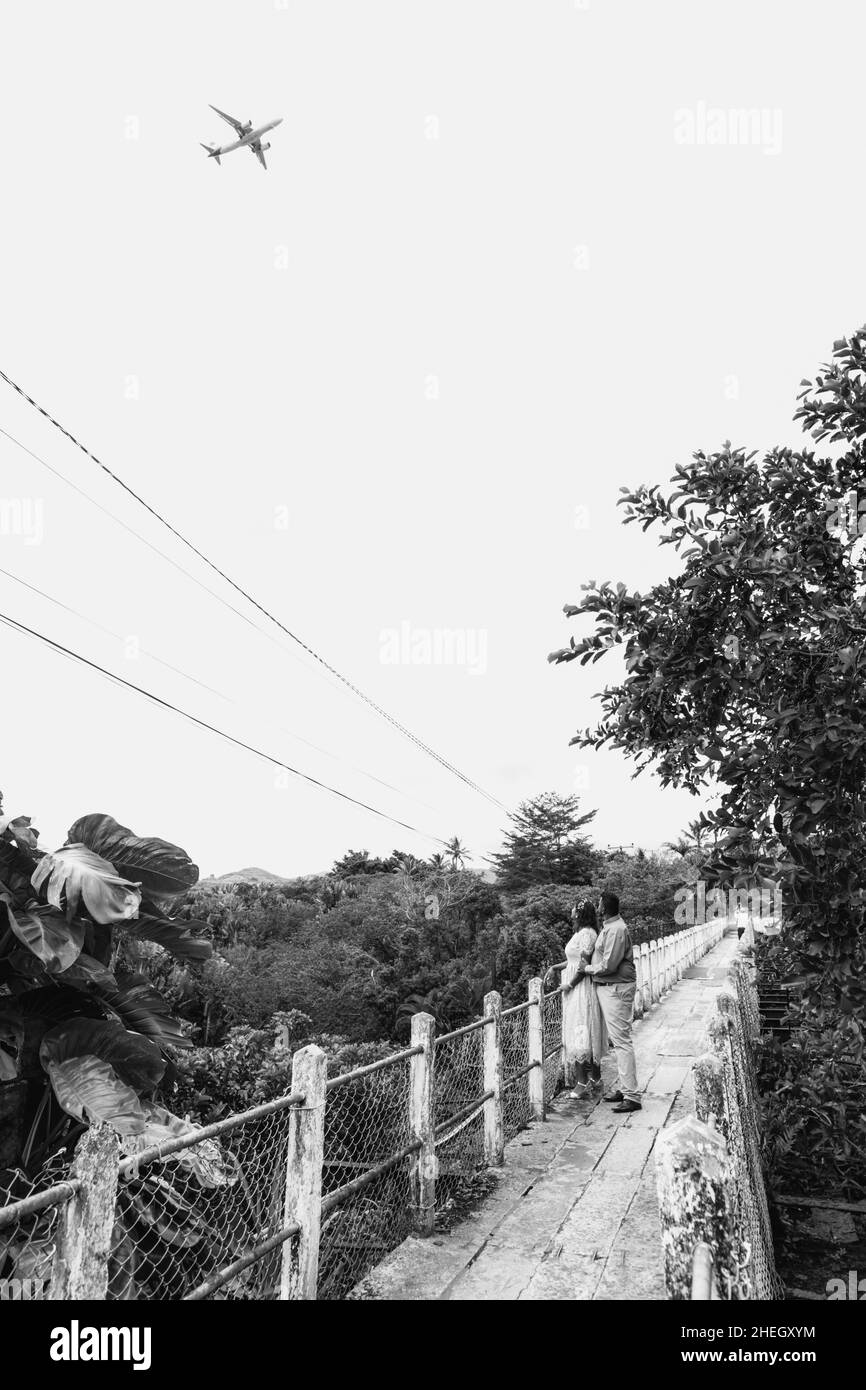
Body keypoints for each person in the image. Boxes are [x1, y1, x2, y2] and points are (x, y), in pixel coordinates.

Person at [577, 891, 641, 1113]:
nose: (597, 906)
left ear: (605, 906)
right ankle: (626, 1089)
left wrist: (586, 968)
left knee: (622, 1041)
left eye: (599, 903)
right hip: (610, 987)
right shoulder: (610, 927)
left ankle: (632, 1096)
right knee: (618, 1040)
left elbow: (609, 965)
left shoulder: (616, 929)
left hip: (616, 988)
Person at [562, 899, 608, 1097]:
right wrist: (556, 968)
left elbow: (584, 964)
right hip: (577, 988)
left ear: (580, 913)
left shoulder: (587, 933)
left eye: (574, 908)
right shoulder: (581, 933)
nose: (571, 911)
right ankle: (594, 1078)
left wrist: (569, 984)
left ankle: (582, 1082)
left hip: (581, 989)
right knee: (582, 1027)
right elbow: (573, 961)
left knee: (581, 1028)